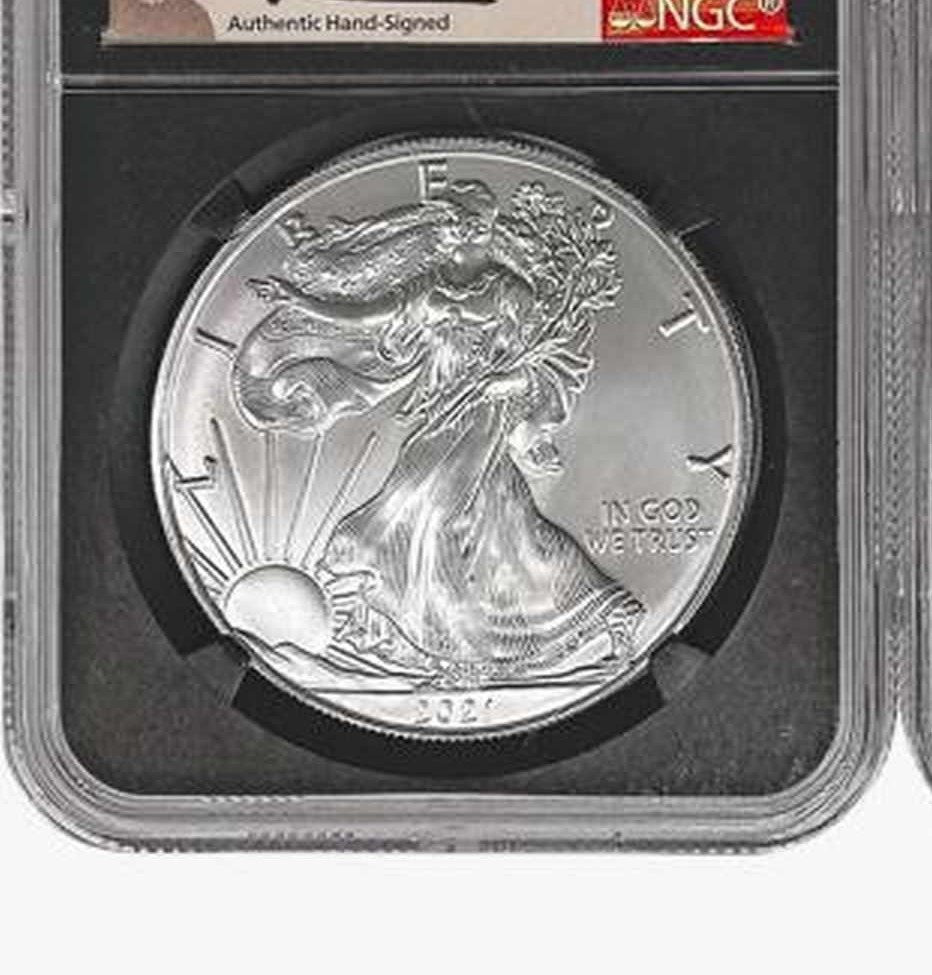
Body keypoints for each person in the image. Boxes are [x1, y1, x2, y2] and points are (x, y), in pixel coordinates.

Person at [232, 178, 641, 683]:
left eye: (465, 222)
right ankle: (603, 613)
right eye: (452, 221)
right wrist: (299, 300)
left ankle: (454, 648)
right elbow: (365, 317)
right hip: (438, 414)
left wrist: (499, 382)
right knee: (506, 530)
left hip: (483, 415)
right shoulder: (428, 285)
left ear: (482, 229)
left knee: (436, 516)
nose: (455, 231)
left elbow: (534, 367)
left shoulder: (511, 292)